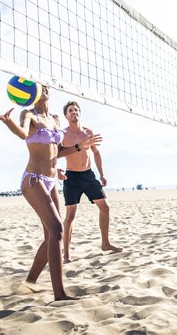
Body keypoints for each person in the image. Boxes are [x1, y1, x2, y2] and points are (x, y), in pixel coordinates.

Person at [0, 86, 100, 301]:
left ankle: (29, 282)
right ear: (32, 92)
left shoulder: (56, 119)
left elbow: (57, 152)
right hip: (33, 179)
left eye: (46, 85)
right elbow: (23, 134)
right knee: (58, 229)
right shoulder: (29, 114)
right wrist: (7, 121)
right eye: (39, 86)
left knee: (51, 235)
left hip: (51, 180)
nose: (44, 88)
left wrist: (79, 146)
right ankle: (59, 293)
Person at [60, 101, 122, 263]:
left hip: (88, 176)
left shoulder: (88, 132)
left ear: (80, 113)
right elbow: (56, 154)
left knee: (105, 207)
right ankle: (66, 254)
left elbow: (96, 153)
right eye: (70, 110)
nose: (74, 112)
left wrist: (101, 174)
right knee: (70, 216)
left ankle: (105, 244)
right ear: (66, 115)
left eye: (76, 110)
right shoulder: (63, 134)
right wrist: (56, 172)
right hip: (71, 177)